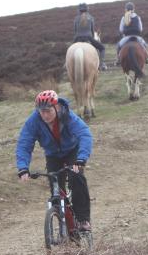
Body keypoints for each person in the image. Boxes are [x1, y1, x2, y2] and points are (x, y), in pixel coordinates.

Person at [15, 90, 93, 231]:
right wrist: (23, 167)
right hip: (53, 155)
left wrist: (81, 159)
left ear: (56, 107)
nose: (44, 115)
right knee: (55, 188)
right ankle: (65, 224)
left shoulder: (67, 116)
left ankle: (83, 220)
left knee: (77, 178)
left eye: (48, 111)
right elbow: (24, 143)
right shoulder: (34, 121)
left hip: (72, 151)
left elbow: (84, 134)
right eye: (41, 111)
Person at [74, 3, 107, 71]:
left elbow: (75, 31)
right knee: (102, 48)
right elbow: (92, 31)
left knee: (69, 50)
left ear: (79, 10)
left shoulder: (76, 18)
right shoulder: (91, 18)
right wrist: (91, 38)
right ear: (87, 10)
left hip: (77, 39)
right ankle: (101, 64)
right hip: (88, 38)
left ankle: (66, 64)